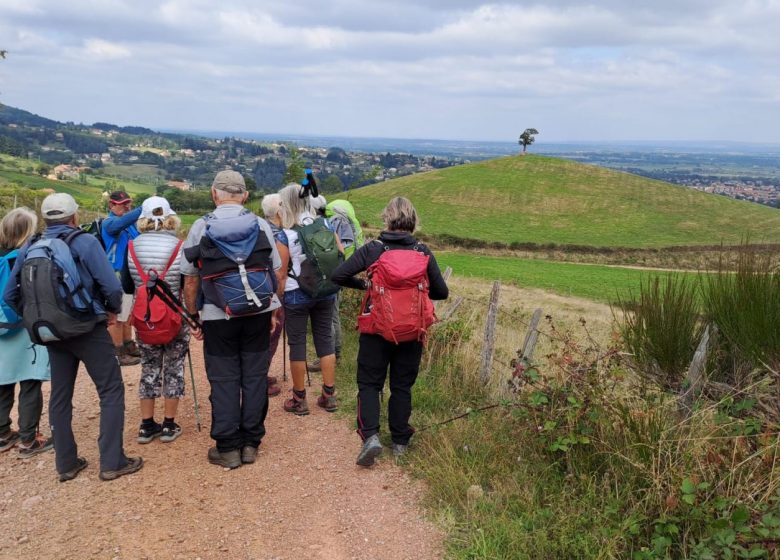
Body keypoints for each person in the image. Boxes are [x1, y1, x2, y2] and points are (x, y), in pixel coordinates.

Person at [3, 193, 143, 482]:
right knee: (110, 390)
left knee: (60, 396)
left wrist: (34, 319)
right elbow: (111, 287)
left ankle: (66, 463)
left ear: (45, 218)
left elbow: (9, 294)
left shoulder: (32, 245)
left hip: (51, 333)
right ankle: (112, 460)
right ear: (74, 216)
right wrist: (110, 312)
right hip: (87, 328)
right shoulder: (84, 241)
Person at [331, 197, 448, 466]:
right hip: (412, 329)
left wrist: (366, 286)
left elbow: (338, 275)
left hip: (377, 328)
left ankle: (370, 436)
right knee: (402, 385)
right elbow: (442, 292)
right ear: (413, 221)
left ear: (387, 218)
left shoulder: (374, 249)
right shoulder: (423, 251)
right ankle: (400, 442)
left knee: (370, 382)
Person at [182, 170, 281, 469]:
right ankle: (251, 443)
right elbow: (276, 271)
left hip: (217, 315)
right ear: (246, 196)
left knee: (224, 378)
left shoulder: (201, 226)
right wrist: (272, 310)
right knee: (253, 376)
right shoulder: (261, 224)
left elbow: (189, 280)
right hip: (257, 314)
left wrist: (194, 316)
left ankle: (227, 448)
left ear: (214, 194)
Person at [122, 196, 187, 444]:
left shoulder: (131, 247)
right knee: (174, 367)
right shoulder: (179, 247)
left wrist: (123, 317)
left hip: (144, 317)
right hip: (173, 316)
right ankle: (169, 424)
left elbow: (127, 286)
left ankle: (146, 425)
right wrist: (192, 314)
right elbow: (185, 283)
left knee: (149, 367)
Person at [275, 183, 342, 416]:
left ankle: (299, 398)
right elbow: (340, 252)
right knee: (325, 340)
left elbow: (281, 273)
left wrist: (277, 300)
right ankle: (329, 395)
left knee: (297, 344)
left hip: (296, 293)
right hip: (325, 291)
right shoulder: (324, 223)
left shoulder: (286, 234)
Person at [0, 208, 53, 457]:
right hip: (22, 327)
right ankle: (29, 439)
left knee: (3, 381)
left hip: (1, 331)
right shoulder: (24, 259)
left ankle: (2, 434)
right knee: (30, 381)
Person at [309, 198, 364, 371]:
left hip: (330, 273)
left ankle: (330, 356)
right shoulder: (340, 219)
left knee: (329, 315)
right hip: (340, 271)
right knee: (333, 314)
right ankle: (335, 355)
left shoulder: (327, 223)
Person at [102, 190, 142, 366]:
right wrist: (143, 209)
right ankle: (117, 352)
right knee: (115, 316)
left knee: (126, 314)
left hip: (127, 276)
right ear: (111, 205)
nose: (126, 206)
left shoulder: (129, 225)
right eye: (122, 204)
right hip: (113, 274)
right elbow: (117, 225)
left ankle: (128, 345)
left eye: (129, 203)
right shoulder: (109, 222)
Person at [260, 193, 284, 397]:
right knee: (272, 331)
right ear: (278, 211)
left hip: (257, 288)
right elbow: (279, 271)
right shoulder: (277, 234)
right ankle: (258, 377)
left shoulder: (261, 228)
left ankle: (258, 374)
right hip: (271, 291)